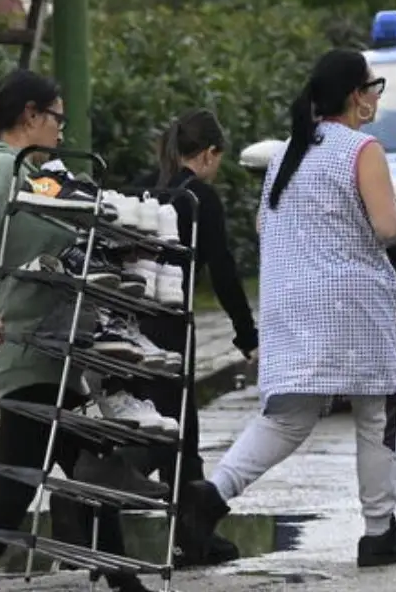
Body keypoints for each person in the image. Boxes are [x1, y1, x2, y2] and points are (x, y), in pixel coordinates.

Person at [176, 48, 396, 569]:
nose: (376, 96)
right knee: (376, 412)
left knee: (287, 417)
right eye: (373, 86)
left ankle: (211, 495)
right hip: (351, 305)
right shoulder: (363, 150)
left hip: (291, 303)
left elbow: (267, 229)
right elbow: (386, 228)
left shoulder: (288, 154)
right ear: (356, 96)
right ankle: (379, 531)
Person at [0, 69, 159, 592]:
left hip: (48, 350)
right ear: (31, 116)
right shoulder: (0, 167)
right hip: (19, 348)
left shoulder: (31, 173)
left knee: (94, 466)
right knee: (16, 486)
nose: (62, 129)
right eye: (57, 117)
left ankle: (124, 583)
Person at [132, 109, 258, 566]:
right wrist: (247, 335)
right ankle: (93, 504)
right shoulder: (199, 198)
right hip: (169, 322)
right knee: (171, 427)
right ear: (208, 154)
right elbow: (223, 271)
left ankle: (191, 531)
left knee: (166, 422)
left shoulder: (144, 187)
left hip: (127, 320)